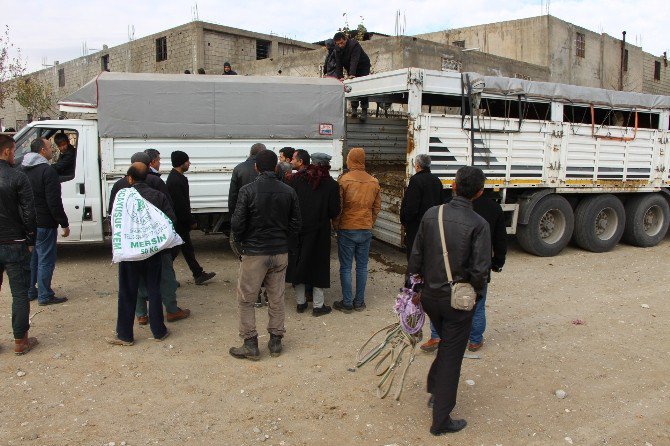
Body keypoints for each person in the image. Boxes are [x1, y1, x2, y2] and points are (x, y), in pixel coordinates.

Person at [407, 166, 491, 435]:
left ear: (453, 185)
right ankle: (440, 421)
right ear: (478, 193)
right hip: (457, 302)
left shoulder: (432, 214)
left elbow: (416, 256)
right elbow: (480, 271)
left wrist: (412, 290)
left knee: (447, 345)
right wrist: (473, 296)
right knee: (453, 356)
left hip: (430, 297)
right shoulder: (479, 224)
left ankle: (435, 390)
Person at [229, 149, 301, 360]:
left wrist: (243, 243)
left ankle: (250, 343)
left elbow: (237, 224)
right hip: (279, 252)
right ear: (276, 167)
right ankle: (275, 341)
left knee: (246, 299)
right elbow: (296, 223)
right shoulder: (289, 191)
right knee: (276, 297)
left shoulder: (247, 191)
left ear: (256, 167)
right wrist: (282, 239)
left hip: (254, 253)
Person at [421, 192, 507, 352]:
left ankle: (437, 336)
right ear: (481, 189)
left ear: (456, 186)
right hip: (477, 267)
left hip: (447, 266)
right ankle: (474, 340)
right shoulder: (494, 208)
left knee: (441, 301)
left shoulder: (444, 208)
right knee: (477, 304)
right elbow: (500, 239)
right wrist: (497, 262)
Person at [106, 163, 175, 346]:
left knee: (128, 292)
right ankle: (159, 331)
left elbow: (114, 222)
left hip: (130, 254)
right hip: (152, 252)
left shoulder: (123, 198)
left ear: (129, 178)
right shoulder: (158, 196)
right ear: (147, 177)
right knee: (154, 290)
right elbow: (170, 221)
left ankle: (125, 335)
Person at [134, 148, 190, 325]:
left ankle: (141, 314)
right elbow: (170, 214)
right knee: (165, 276)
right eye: (157, 160)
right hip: (158, 244)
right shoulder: (157, 185)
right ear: (150, 164)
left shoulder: (121, 186)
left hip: (134, 244)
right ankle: (172, 310)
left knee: (137, 277)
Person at [286, 152, 340, 316]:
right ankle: (318, 306)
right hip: (319, 231)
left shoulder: (296, 180)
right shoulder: (331, 184)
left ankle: (300, 303)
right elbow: (334, 211)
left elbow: (290, 205)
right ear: (326, 166)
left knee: (298, 263)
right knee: (319, 266)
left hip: (298, 230)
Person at [0, 134, 39, 355]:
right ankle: (20, 340)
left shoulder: (17, 176)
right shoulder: (17, 177)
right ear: (6, 151)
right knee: (20, 293)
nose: (15, 155)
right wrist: (31, 239)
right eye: (14, 151)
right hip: (14, 242)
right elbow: (28, 212)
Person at [21, 138, 70, 306]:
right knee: (46, 259)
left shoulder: (22, 169)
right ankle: (45, 295)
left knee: (33, 258)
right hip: (44, 223)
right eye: (50, 147)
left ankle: (30, 291)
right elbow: (54, 201)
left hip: (28, 223)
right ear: (42, 150)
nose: (52, 150)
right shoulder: (47, 172)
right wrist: (63, 222)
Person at [332, 147, 381, 313]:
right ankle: (359, 302)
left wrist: (336, 225)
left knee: (346, 267)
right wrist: (370, 222)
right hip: (365, 228)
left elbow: (338, 207)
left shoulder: (344, 181)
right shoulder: (373, 181)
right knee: (361, 267)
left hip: (347, 227)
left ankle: (347, 303)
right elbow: (377, 207)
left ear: (350, 160)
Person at [166, 151, 216, 285]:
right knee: (173, 252)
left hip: (180, 222)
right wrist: (190, 221)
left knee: (187, 250)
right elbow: (180, 204)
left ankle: (198, 274)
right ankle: (164, 277)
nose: (189, 163)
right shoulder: (175, 180)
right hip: (179, 223)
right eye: (187, 161)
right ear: (181, 163)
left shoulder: (177, 177)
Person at [400, 154, 443, 263]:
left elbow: (411, 205)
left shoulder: (416, 180)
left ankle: (414, 278)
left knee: (415, 256)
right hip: (432, 225)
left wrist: (406, 221)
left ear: (418, 166)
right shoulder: (437, 180)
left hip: (417, 226)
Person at [333, 32, 371, 121]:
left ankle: (364, 111)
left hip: (363, 66)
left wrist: (351, 74)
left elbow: (355, 59)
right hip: (351, 67)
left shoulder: (354, 44)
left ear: (345, 39)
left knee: (362, 86)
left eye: (342, 43)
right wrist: (340, 76)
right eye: (338, 44)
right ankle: (354, 109)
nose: (340, 45)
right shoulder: (337, 50)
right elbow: (338, 64)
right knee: (352, 86)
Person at [229, 143, 266, 215]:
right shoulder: (268, 167)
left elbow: (233, 194)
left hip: (243, 210)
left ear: (250, 153)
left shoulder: (239, 168)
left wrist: (232, 214)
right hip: (262, 212)